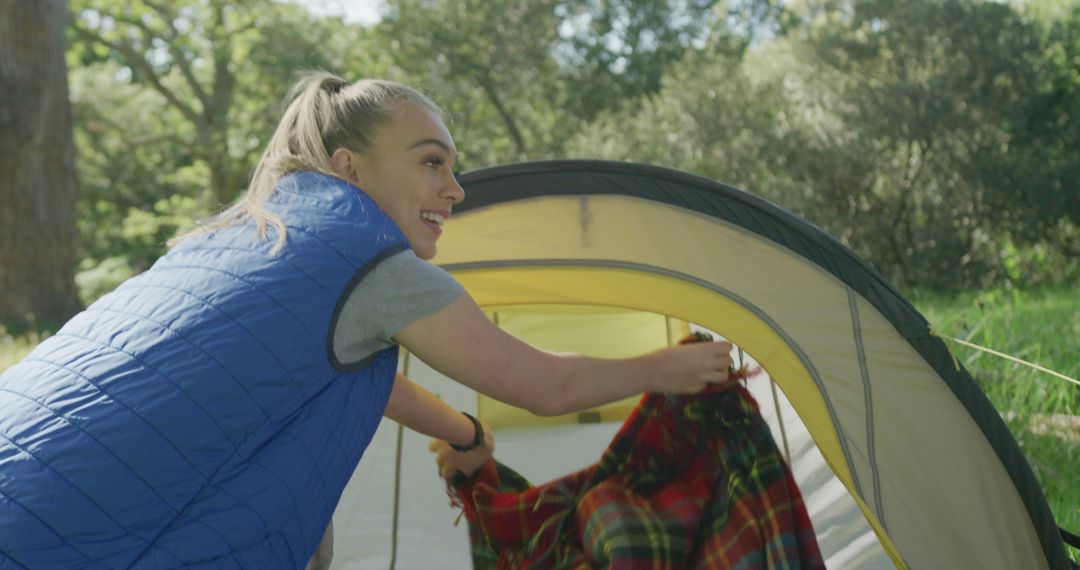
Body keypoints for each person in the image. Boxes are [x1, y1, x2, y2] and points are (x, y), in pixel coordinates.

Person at [0, 72, 734, 569]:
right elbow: (536, 381)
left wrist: (467, 435)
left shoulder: (250, 235)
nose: (456, 190)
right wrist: (664, 369)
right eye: (431, 163)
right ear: (351, 170)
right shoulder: (368, 261)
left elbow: (339, 376)